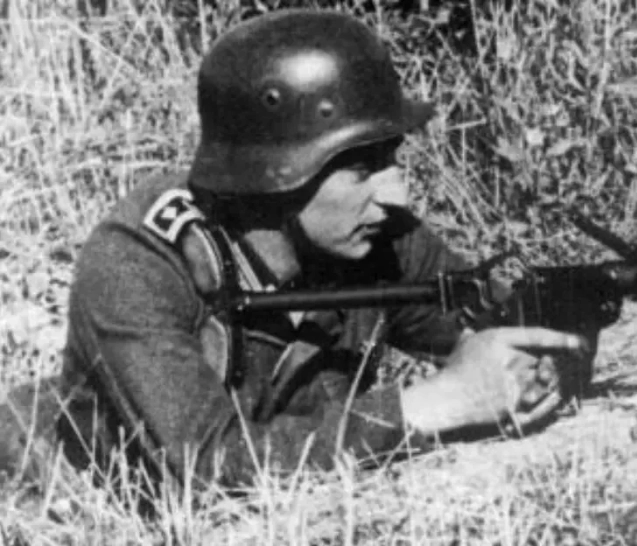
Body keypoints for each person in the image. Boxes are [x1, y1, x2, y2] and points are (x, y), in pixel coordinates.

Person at [0, 10, 596, 491]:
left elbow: (492, 336)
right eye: (361, 169)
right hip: (58, 493)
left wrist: (557, 335)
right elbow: (202, 468)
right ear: (280, 172)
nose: (397, 195)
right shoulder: (141, 261)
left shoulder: (376, 235)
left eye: (391, 160)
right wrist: (430, 405)